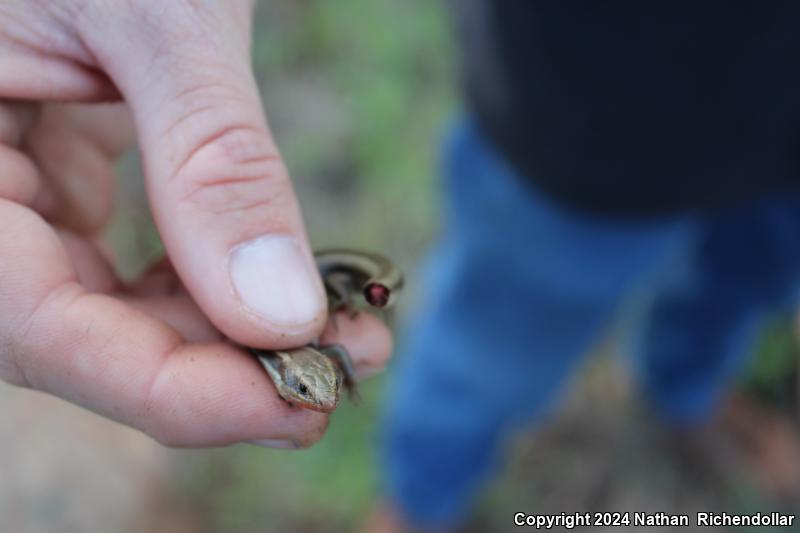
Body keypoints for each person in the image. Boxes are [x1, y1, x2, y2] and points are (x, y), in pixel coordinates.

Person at [377, 1, 800, 531]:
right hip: (591, 98)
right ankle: (419, 499)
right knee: (494, 350)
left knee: (745, 283)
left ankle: (685, 390)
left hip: (782, 117)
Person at [0, 1, 391, 449]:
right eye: (305, 390)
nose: (318, 400)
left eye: (324, 390)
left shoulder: (286, 352)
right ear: (286, 374)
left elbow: (333, 354)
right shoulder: (265, 347)